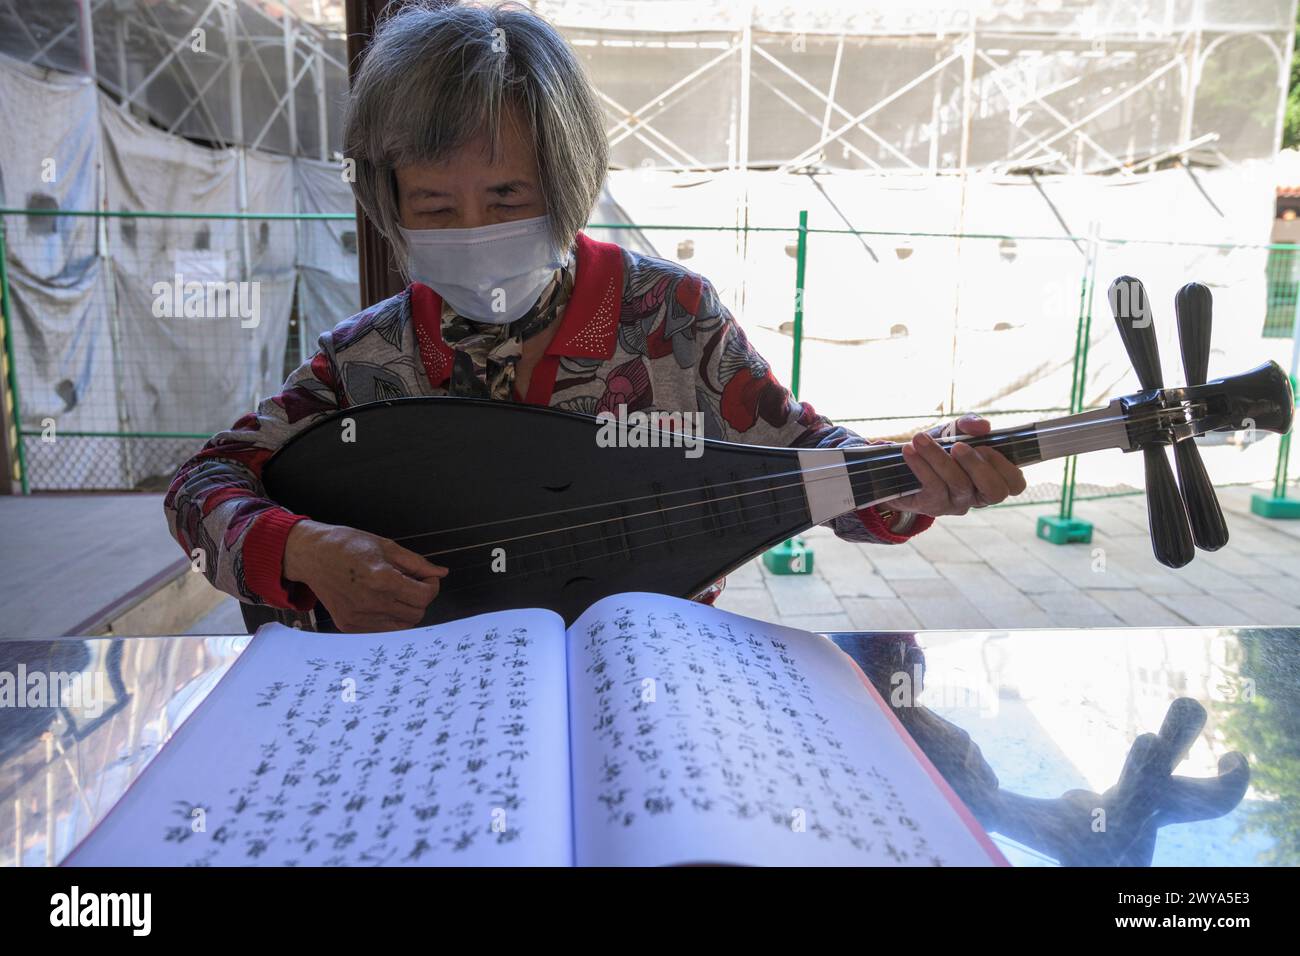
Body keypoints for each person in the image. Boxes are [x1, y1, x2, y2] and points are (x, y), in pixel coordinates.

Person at [164, 1, 1027, 633]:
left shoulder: (672, 316)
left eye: (507, 195)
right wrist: (305, 551)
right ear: (389, 206)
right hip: (429, 699)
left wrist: (913, 480)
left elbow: (805, 464)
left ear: (567, 181)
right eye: (434, 206)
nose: (475, 230)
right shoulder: (366, 358)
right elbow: (202, 484)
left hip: (649, 682)